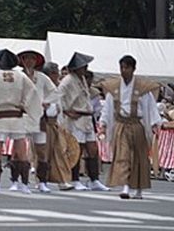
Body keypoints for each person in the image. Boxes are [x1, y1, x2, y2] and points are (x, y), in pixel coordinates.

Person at [100, 55, 162, 199]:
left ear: (133, 69)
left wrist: (154, 123)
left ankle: (139, 189)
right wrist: (103, 124)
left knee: (139, 157)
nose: (123, 70)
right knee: (124, 156)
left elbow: (151, 107)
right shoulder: (114, 87)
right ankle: (126, 186)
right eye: (121, 67)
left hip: (136, 125)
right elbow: (108, 108)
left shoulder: (142, 88)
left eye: (127, 67)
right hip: (121, 124)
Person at [0, 49, 39, 195]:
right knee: (21, 151)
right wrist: (24, 104)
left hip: (0, 115)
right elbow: (33, 91)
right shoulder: (20, 75)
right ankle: (24, 185)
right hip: (17, 115)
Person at [60, 52, 109, 191]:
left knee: (93, 149)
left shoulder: (81, 79)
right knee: (77, 149)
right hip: (76, 118)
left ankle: (94, 179)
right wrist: (66, 110)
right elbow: (58, 96)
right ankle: (74, 179)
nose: (86, 68)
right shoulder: (68, 80)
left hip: (87, 118)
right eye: (83, 66)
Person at [18, 49, 58, 193]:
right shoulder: (18, 76)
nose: (29, 61)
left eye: (32, 59)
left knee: (41, 151)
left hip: (39, 117)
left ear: (36, 62)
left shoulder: (41, 77)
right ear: (22, 61)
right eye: (26, 58)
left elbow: (54, 92)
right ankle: (20, 181)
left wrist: (46, 102)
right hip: (22, 115)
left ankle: (42, 181)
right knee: (20, 150)